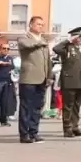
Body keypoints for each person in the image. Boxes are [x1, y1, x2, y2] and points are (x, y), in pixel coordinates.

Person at [17, 16, 53, 144]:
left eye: (42, 24)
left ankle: (34, 132)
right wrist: (40, 43)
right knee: (26, 107)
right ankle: (24, 134)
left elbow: (47, 60)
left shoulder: (43, 40)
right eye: (38, 24)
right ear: (31, 25)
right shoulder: (24, 37)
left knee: (37, 107)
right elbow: (26, 45)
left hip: (42, 78)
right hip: (28, 78)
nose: (40, 27)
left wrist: (49, 76)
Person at [53, 27, 81, 138]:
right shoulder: (67, 48)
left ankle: (75, 127)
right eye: (78, 37)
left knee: (77, 106)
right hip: (70, 80)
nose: (80, 39)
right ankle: (67, 129)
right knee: (68, 106)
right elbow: (56, 48)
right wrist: (68, 40)